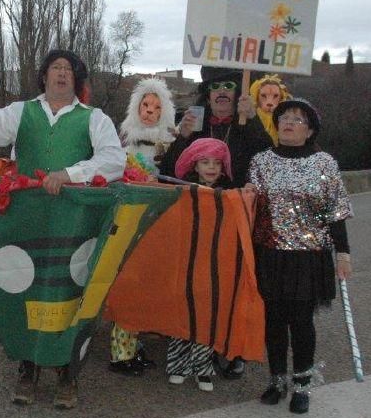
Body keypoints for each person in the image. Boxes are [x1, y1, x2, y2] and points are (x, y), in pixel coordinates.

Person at [0, 49, 125, 409]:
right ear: (43, 76)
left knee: (67, 294)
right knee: (25, 289)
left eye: (68, 69)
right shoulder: (22, 111)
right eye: (55, 68)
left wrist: (69, 175)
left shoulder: (94, 118)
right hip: (26, 221)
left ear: (76, 79)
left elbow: (113, 159)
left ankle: (66, 373)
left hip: (74, 225)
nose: (61, 74)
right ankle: (27, 368)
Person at [161, 66, 271, 379]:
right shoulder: (195, 122)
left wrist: (252, 122)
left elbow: (265, 159)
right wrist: (182, 137)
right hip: (196, 221)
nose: (221, 92)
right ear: (207, 94)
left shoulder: (245, 123)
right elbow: (171, 171)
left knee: (232, 285)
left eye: (228, 87)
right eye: (215, 87)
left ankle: (232, 348)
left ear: (237, 93)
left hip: (234, 222)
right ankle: (191, 343)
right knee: (195, 286)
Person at [248, 98, 353, 414]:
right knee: (274, 320)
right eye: (283, 118)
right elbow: (249, 207)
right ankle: (277, 379)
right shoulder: (261, 161)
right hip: (270, 252)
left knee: (301, 321)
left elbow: (333, 211)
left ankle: (302, 384)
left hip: (308, 255)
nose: (288, 123)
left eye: (296, 119)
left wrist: (343, 253)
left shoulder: (323, 163)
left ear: (309, 131)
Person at [109, 77, 176, 376]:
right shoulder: (122, 142)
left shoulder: (171, 147)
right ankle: (121, 353)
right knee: (127, 282)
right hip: (128, 221)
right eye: (145, 105)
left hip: (160, 227)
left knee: (148, 285)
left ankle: (135, 345)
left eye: (156, 107)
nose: (150, 111)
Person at [164, 138, 237, 392]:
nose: (211, 168)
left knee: (207, 314)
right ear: (195, 165)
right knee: (182, 310)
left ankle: (202, 367)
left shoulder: (229, 194)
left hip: (214, 262)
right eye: (205, 162)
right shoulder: (184, 191)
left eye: (216, 163)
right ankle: (177, 364)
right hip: (187, 259)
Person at [248, 74, 290, 145]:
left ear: (281, 98)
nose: (270, 102)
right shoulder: (250, 116)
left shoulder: (286, 119)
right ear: (257, 97)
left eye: (276, 96)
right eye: (263, 95)